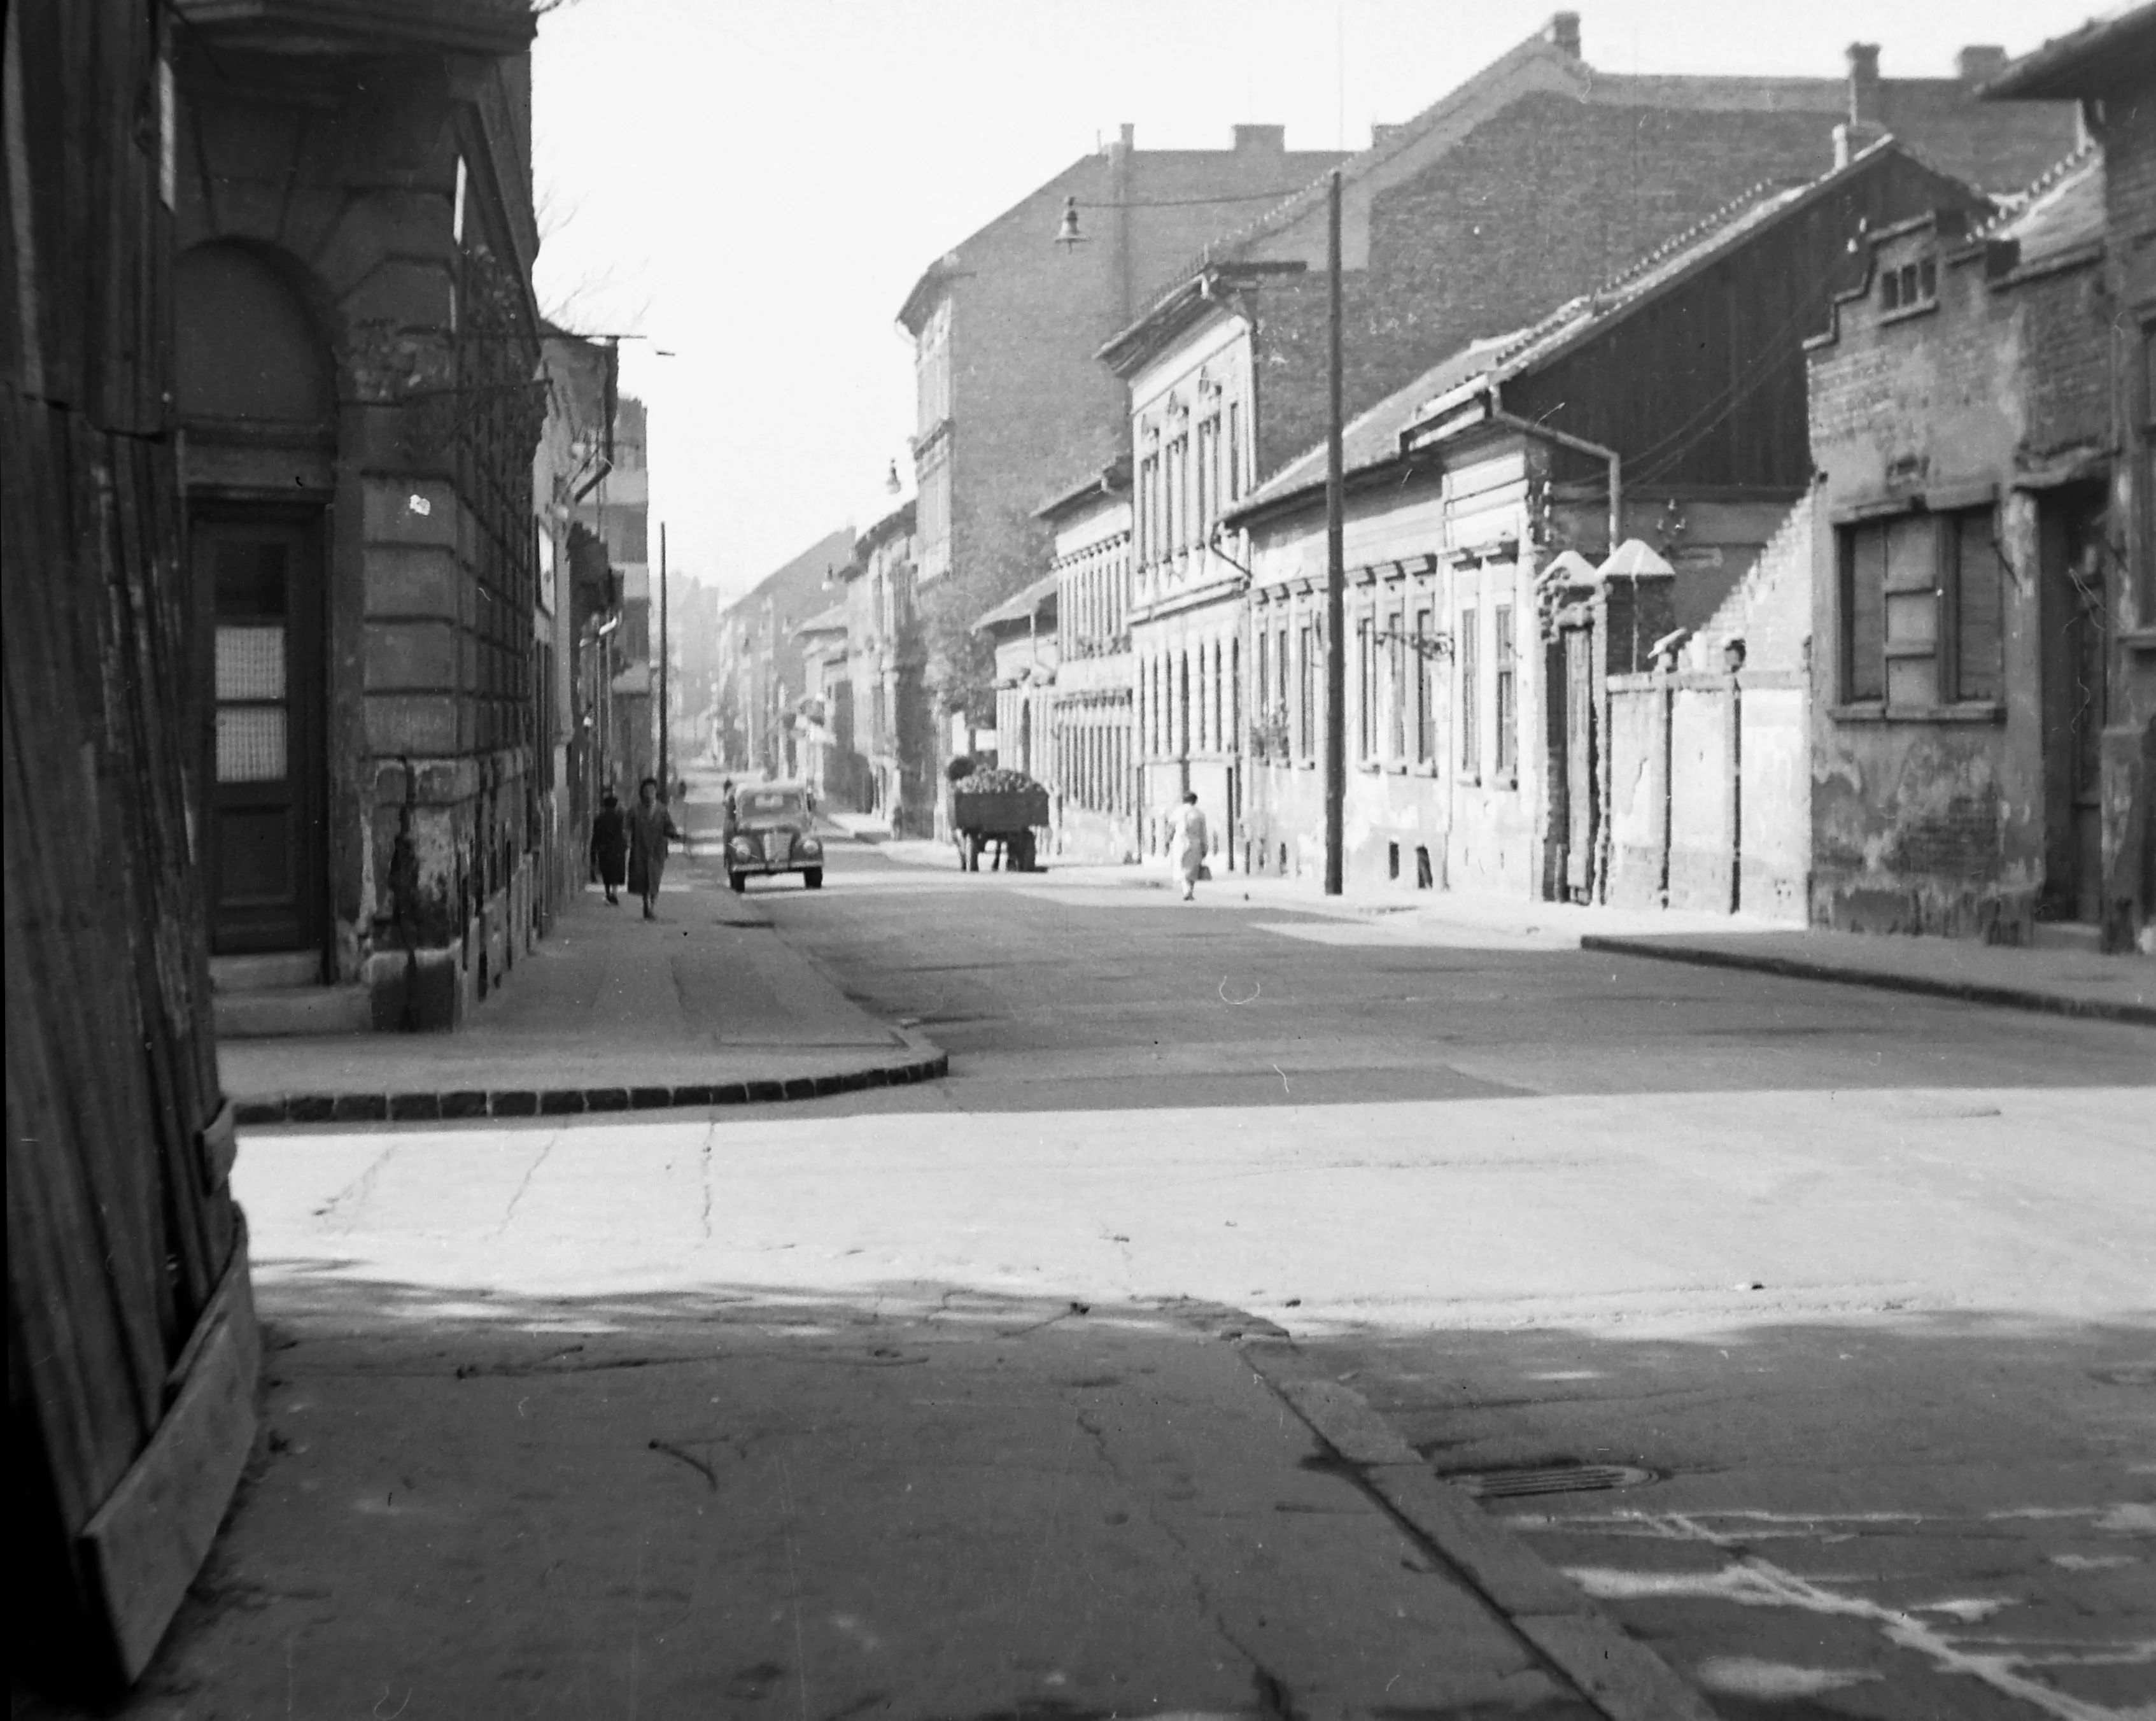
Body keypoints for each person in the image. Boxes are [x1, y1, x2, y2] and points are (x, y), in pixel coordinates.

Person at [626, 776, 683, 920]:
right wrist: (626, 841)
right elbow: (626, 828)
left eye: (652, 791)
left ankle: (651, 906)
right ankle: (646, 904)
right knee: (643, 879)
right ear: (642, 793)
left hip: (657, 851)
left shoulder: (662, 811)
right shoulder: (635, 810)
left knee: (655, 879)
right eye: (647, 791)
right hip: (640, 850)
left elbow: (668, 827)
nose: (649, 794)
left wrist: (676, 835)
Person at [588, 789, 628, 906]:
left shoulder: (599, 819)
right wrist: (625, 846)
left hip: (604, 849)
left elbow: (596, 836)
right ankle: (614, 894)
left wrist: (594, 850)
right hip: (617, 849)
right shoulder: (619, 819)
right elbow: (623, 834)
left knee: (606, 872)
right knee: (616, 872)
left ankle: (608, 893)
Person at [1170, 791, 1209, 902]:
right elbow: (1203, 832)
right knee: (1193, 868)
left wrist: (1167, 842)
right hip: (1195, 842)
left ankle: (1186, 890)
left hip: (1180, 842)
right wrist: (1205, 846)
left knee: (1180, 866)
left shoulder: (1178, 812)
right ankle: (1190, 891)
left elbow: (1171, 827)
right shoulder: (1199, 814)